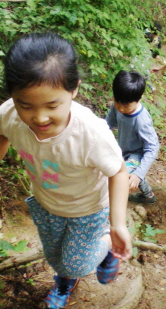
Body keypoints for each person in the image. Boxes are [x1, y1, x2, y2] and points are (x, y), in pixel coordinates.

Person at [0, 33, 132, 309]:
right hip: (45, 202)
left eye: (52, 105)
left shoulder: (90, 133)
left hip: (88, 209)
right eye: (26, 105)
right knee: (54, 255)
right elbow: (2, 132)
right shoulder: (10, 114)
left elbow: (118, 172)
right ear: (13, 96)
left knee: (76, 262)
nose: (39, 117)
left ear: (74, 90)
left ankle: (106, 247)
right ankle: (64, 281)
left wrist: (117, 224)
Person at [106, 70, 159, 204]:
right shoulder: (117, 105)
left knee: (122, 175)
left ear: (139, 98)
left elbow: (152, 147)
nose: (121, 108)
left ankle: (113, 206)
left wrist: (138, 174)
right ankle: (149, 195)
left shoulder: (141, 120)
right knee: (129, 173)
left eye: (126, 105)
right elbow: (108, 123)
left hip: (138, 154)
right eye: (117, 102)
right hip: (123, 149)